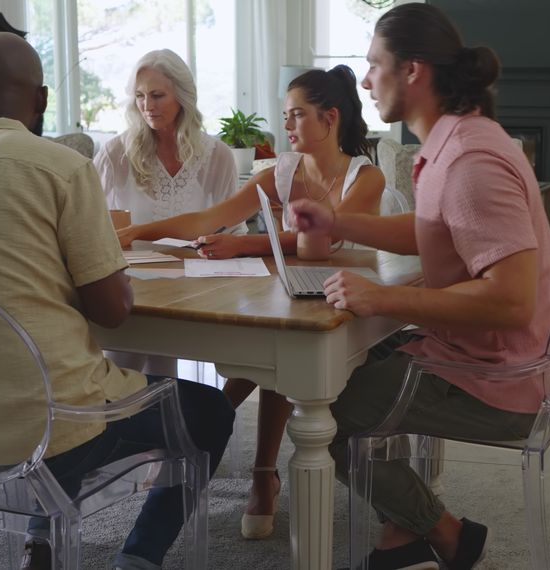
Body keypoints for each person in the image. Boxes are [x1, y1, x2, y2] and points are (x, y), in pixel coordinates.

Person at [0, 32, 234, 570]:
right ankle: (138, 557)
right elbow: (112, 310)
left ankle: (39, 541)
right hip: (62, 420)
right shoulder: (63, 169)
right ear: (41, 100)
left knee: (50, 394)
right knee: (210, 412)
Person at [287, 5, 550, 570]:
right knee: (344, 368)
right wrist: (336, 221)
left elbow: (512, 301)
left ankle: (447, 533)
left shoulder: (468, 160)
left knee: (329, 412)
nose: (364, 80)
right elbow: (432, 231)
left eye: (374, 65)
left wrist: (382, 297)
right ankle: (401, 531)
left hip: (501, 382)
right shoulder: (452, 142)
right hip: (474, 351)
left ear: (413, 71)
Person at [119, 65, 385, 540]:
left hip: (348, 300)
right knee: (271, 334)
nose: (285, 127)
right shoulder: (281, 170)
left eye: (296, 116)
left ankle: (234, 455)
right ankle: (251, 466)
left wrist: (242, 245)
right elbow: (213, 216)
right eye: (285, 116)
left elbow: (317, 245)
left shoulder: (367, 179)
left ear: (330, 118)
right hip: (293, 288)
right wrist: (140, 231)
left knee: (281, 343)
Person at [94, 49, 242, 379]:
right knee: (118, 377)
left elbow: (233, 232)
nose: (147, 105)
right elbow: (91, 226)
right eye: (140, 96)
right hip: (132, 291)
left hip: (197, 291)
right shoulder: (115, 154)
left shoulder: (217, 156)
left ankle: (167, 422)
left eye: (158, 95)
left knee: (168, 378)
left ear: (183, 96)